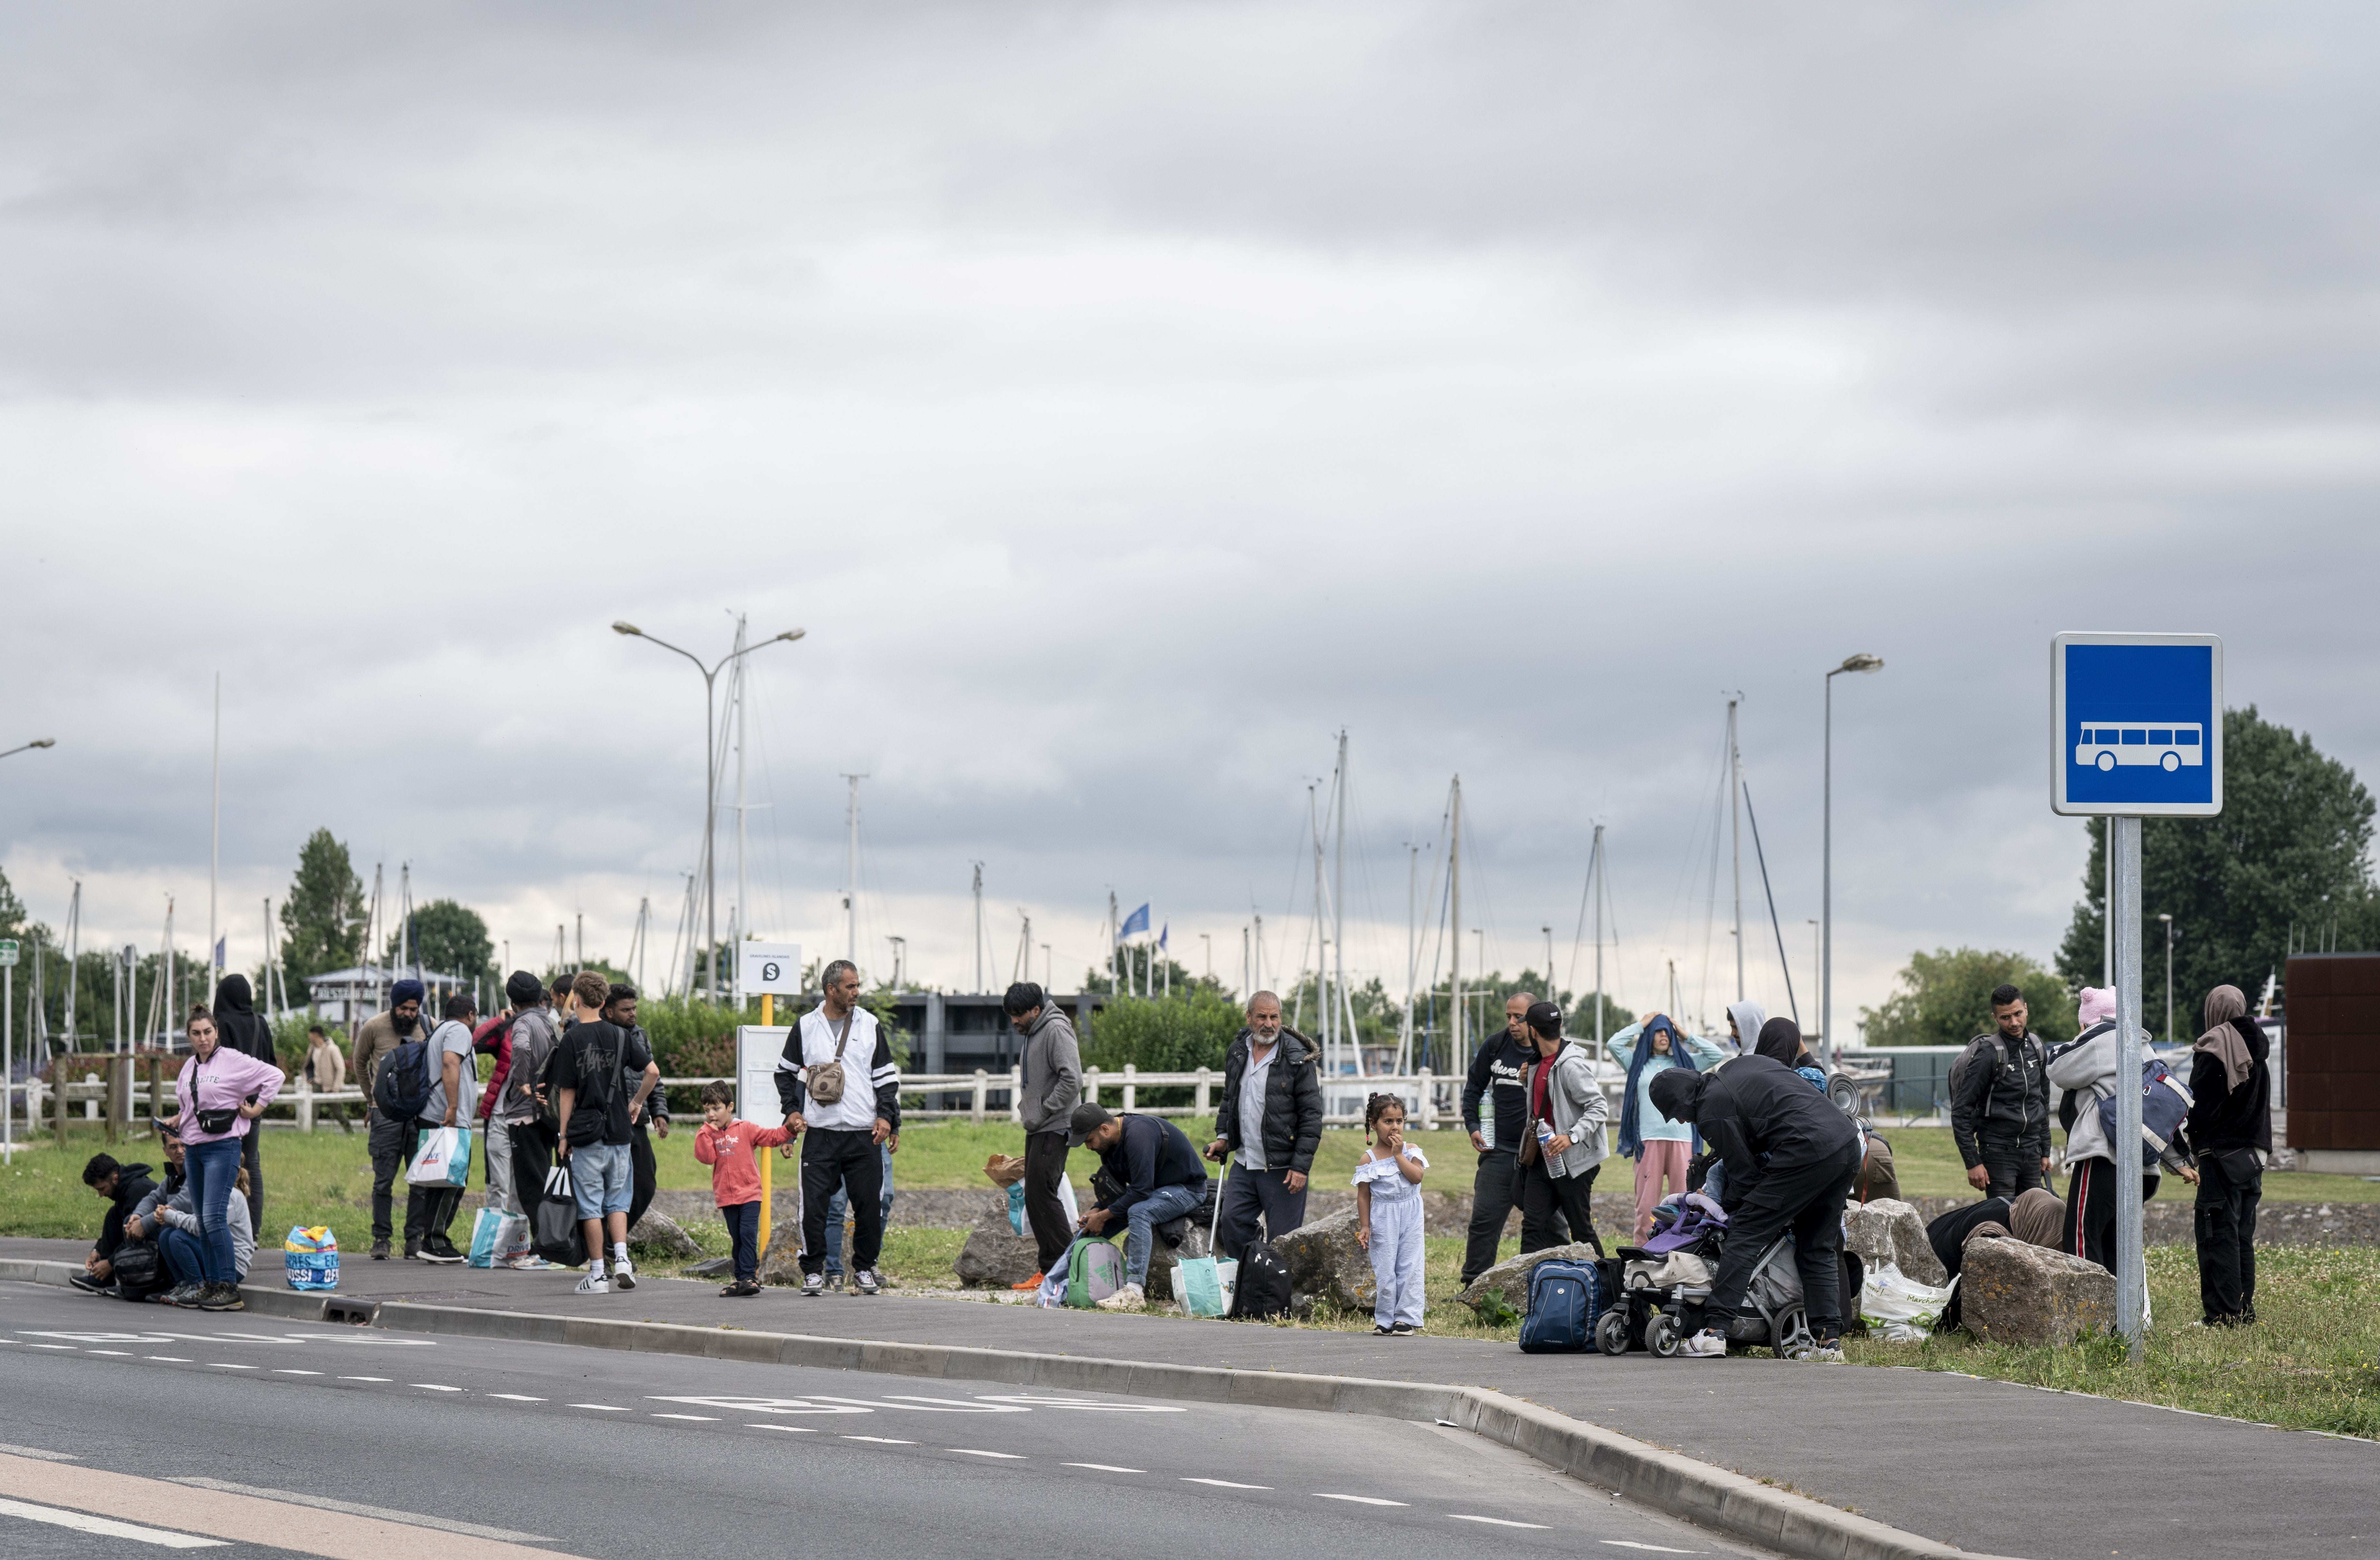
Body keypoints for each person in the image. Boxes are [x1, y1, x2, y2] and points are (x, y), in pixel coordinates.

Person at [1651, 1051, 1862, 1361]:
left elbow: (1744, 1175)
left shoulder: (1711, 1110)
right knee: (1817, 1244)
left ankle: (1714, 1332)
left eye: (1677, 1114)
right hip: (1846, 1143)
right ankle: (1827, 1344)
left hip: (1806, 1150)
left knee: (1745, 1232)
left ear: (1681, 1101)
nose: (1683, 1120)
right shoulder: (1739, 1066)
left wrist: (1725, 1208)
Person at [2048, 986, 2195, 1274]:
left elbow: (2057, 1068)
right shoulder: (2145, 1047)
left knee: (2081, 1238)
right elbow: (2159, 1111)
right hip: (2143, 1169)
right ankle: (2121, 1318)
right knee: (2116, 1246)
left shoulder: (2102, 1038)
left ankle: (2087, 1316)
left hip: (2105, 1158)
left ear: (2089, 1020)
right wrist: (2179, 1162)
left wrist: (2081, 1036)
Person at [774, 959, 899, 1297]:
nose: (856, 992)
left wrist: (888, 1118)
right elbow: (785, 1073)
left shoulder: (871, 1025)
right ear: (832, 990)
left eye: (858, 985)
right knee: (813, 1206)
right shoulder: (805, 1026)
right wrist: (792, 1112)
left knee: (870, 1207)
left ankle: (864, 1269)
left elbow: (886, 1080)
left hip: (863, 1134)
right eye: (850, 986)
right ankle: (813, 1271)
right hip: (820, 1134)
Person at [554, 969, 660, 1295]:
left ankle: (598, 1274)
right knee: (618, 1201)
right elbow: (652, 1071)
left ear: (579, 1000)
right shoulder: (621, 1036)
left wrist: (563, 1135)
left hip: (587, 1135)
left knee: (590, 1205)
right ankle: (624, 1260)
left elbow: (567, 1092)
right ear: (604, 1002)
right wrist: (637, 1102)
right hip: (620, 1133)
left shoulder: (572, 1039)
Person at [174, 1004, 283, 1312]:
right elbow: (189, 1106)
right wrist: (176, 1120)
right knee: (203, 1221)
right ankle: (212, 1284)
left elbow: (275, 1075)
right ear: (189, 1036)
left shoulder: (232, 1061)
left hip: (223, 1146)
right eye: (196, 1033)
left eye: (208, 1032)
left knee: (213, 1216)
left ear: (217, 1032)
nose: (203, 1038)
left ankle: (228, 1287)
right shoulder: (189, 1068)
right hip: (193, 1147)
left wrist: (257, 1108)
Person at [1206, 990, 1323, 1261]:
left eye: (1274, 1017)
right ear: (1249, 1017)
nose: (1268, 1024)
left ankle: (1276, 1296)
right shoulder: (1237, 1051)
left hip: (1283, 1168)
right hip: (1245, 1164)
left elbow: (1312, 1116)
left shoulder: (1298, 1058)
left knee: (1283, 1242)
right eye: (1262, 1016)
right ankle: (1251, 1281)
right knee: (1232, 1223)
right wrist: (1223, 1137)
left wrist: (1300, 1167)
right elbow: (1229, 1099)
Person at [1070, 1102, 1209, 1312]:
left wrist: (1104, 1215)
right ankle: (1058, 1281)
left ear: (1105, 1129)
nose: (1088, 1147)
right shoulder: (1108, 1144)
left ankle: (1134, 1291)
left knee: (1139, 1211)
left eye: (1089, 1141)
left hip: (1187, 1189)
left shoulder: (1139, 1135)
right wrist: (1097, 1210)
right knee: (1090, 1225)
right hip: (1153, 1191)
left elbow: (1140, 1192)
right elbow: (1120, 1191)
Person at [2186, 984, 2270, 1327]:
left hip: (2221, 1157)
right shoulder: (2259, 1047)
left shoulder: (2216, 1047)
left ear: (2213, 1011)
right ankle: (2242, 1310)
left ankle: (2223, 1316)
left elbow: (2201, 1107)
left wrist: (2189, 1139)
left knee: (2217, 1235)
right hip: (2253, 1158)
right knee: (2242, 1237)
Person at [1609, 1013, 1726, 1244]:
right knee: (1645, 1208)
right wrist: (1642, 1024)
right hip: (1648, 1141)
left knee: (1686, 1205)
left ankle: (1680, 1252)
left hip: (1682, 1141)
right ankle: (1641, 1256)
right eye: (1658, 1030)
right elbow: (1613, 1044)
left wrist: (1684, 1033)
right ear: (1649, 1035)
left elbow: (1717, 1054)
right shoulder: (1636, 1062)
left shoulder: (1686, 1062)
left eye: (1667, 1031)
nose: (1663, 1035)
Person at [1459, 992, 1550, 1285]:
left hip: (1538, 1154)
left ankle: (1558, 1280)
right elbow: (1473, 1088)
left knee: (1551, 1224)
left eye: (1519, 1017)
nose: (1512, 1023)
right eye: (1508, 1016)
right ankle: (1472, 1283)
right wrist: (1472, 1124)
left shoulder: (1547, 1049)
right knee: (1483, 1220)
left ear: (1533, 1018)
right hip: (1498, 1150)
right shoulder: (1495, 1045)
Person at [1517, 1000, 1608, 1257]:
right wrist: (1526, 1082)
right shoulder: (1536, 1063)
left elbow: (1599, 1107)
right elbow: (1548, 1105)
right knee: (1532, 1226)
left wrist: (1571, 1137)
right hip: (1541, 1159)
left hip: (1574, 1161)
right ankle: (1528, 1291)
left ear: (1533, 1031)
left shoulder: (1571, 1065)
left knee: (1581, 1232)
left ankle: (1607, 1289)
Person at [1008, 981, 1083, 1290]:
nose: (1013, 1021)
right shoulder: (1033, 1031)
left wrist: (1042, 1110)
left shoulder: (1055, 1030)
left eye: (1018, 1014)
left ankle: (1068, 1270)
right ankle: (1052, 1270)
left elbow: (1073, 1079)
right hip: (1040, 1125)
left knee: (1043, 1195)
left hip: (1055, 1124)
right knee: (1037, 1195)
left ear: (1035, 1010)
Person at [1951, 983, 2053, 1201]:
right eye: (2006, 1017)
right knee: (2003, 1223)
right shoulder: (1988, 1054)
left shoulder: (2036, 1047)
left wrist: (2045, 1150)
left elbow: (2041, 1102)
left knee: (2033, 1221)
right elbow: (1961, 1110)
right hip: (1998, 1153)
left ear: (2026, 1009)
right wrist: (1973, 1162)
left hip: (2032, 1151)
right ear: (1995, 1018)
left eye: (2017, 1014)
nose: (2014, 1022)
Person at [693, 1079, 795, 1296]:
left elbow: (771, 1137)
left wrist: (789, 1131)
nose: (712, 1114)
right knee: (737, 1238)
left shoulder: (745, 1129)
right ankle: (741, 1280)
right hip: (726, 1197)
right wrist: (706, 1132)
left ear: (730, 1107)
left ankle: (750, 1277)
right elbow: (707, 1157)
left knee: (748, 1233)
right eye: (707, 1110)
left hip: (750, 1194)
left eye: (717, 1108)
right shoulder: (708, 1133)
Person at [353, 979, 427, 1260]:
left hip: (418, 1116)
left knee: (420, 1180)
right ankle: (381, 1239)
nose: (409, 1014)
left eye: (413, 1008)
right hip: (385, 1115)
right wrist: (371, 1098)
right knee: (383, 1181)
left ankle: (414, 1240)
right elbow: (359, 1062)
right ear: (393, 1005)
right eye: (403, 1008)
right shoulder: (374, 1027)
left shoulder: (428, 1026)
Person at [405, 993, 481, 1263]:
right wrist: (452, 1107)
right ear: (471, 1014)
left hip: (440, 1117)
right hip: (447, 1118)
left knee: (444, 1181)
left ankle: (436, 1239)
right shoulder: (460, 1030)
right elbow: (451, 1062)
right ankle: (435, 1241)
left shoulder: (442, 1030)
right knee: (450, 1181)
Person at [1353, 1093, 1429, 1335]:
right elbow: (1364, 1195)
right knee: (1385, 1267)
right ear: (1374, 1124)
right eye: (1388, 1121)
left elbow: (1416, 1177)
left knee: (1410, 1264)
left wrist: (1398, 1155)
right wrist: (1365, 1226)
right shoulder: (1369, 1159)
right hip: (1383, 1215)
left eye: (1399, 1120)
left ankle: (1406, 1318)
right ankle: (1385, 1318)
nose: (1394, 1126)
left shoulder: (1411, 1150)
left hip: (1410, 1213)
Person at [488, 971, 558, 1225]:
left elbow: (521, 1047)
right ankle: (544, 1244)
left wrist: (520, 1081)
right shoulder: (549, 1022)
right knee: (542, 1178)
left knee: (530, 1186)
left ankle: (542, 1246)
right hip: (547, 1112)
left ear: (512, 1001)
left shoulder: (523, 1023)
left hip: (524, 1114)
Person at [211, 973, 278, 1237]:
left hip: (224, 1107)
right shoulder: (260, 1023)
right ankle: (254, 1231)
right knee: (251, 1163)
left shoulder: (221, 1023)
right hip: (253, 1106)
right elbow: (271, 1063)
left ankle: (228, 1227)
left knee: (222, 1162)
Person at [603, 984, 670, 1235]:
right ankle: (603, 1246)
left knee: (645, 1184)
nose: (633, 1013)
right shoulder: (600, 1034)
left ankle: (613, 1240)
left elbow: (653, 1077)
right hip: (607, 1127)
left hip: (636, 1123)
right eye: (626, 1009)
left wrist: (659, 1113)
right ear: (609, 1011)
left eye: (634, 1008)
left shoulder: (639, 1035)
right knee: (608, 1188)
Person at [154, 1164, 257, 1303]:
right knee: (167, 1235)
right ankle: (184, 1285)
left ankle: (198, 1286)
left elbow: (204, 1227)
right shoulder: (214, 1193)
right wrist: (172, 1214)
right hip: (214, 1256)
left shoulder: (230, 1196)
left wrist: (172, 1216)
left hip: (233, 1265)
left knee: (177, 1238)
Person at [68, 1152, 159, 1296]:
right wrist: (97, 1251)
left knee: (128, 1221)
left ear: (116, 1179)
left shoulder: (138, 1190)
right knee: (114, 1215)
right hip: (149, 1246)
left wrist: (110, 1263)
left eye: (102, 1189)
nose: (101, 1195)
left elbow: (134, 1232)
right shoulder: (124, 1190)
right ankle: (104, 1279)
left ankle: (132, 1282)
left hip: (159, 1251)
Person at [821, 1144, 896, 1291]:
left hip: (873, 1138)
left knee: (883, 1201)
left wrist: (894, 1128)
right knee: (836, 1206)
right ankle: (833, 1272)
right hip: (839, 1137)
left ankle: (869, 1263)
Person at [303, 1025, 352, 1133]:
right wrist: (310, 1078)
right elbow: (309, 1065)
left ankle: (350, 1132)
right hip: (317, 1084)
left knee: (337, 1113)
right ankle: (312, 1136)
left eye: (310, 1035)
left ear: (316, 1035)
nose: (309, 1037)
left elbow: (340, 1069)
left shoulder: (332, 1049)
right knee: (313, 1112)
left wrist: (336, 1087)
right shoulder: (312, 1049)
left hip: (330, 1086)